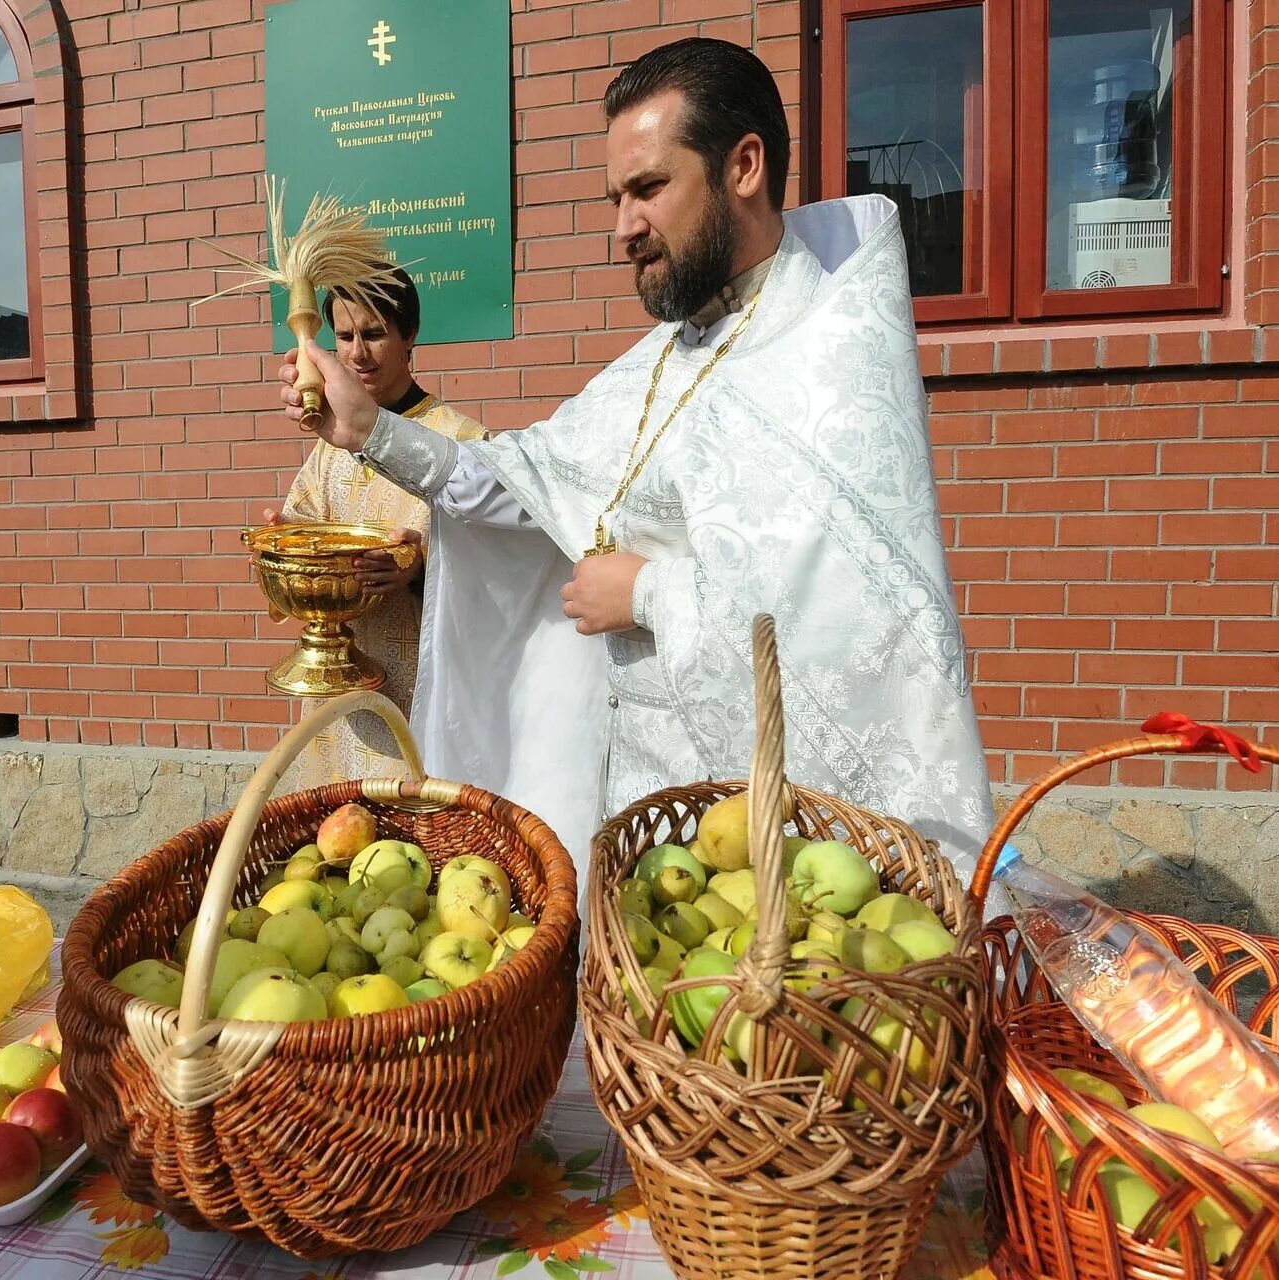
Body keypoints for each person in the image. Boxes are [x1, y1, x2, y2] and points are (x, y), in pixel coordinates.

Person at [277, 38, 993, 875]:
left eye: (649, 188)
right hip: (640, 815)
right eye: (616, 197)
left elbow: (864, 618)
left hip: (770, 838)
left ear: (745, 166)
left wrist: (649, 589)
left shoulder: (828, 353)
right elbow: (523, 482)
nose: (624, 227)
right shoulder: (662, 358)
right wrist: (369, 429)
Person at [264, 266, 483, 790]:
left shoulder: (462, 441)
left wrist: (421, 569)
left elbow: (496, 571)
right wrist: (285, 541)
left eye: (375, 333)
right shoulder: (330, 444)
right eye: (344, 336)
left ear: (409, 335)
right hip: (334, 694)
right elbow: (309, 524)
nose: (358, 353)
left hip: (417, 693)